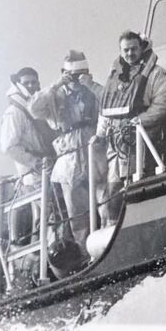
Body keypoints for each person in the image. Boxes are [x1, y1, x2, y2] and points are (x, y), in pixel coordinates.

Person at [91, 31, 166, 226]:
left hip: (144, 141)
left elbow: (160, 107)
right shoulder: (115, 78)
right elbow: (106, 110)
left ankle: (150, 227)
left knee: (143, 192)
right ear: (120, 51)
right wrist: (99, 135)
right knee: (114, 196)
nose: (130, 54)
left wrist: (137, 121)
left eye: (134, 49)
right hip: (117, 149)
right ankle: (112, 231)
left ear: (142, 47)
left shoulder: (156, 74)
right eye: (125, 50)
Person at [28, 50, 99, 257]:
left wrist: (90, 85)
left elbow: (108, 102)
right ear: (63, 73)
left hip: (93, 149)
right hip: (69, 157)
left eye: (81, 72)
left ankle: (106, 246)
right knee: (77, 214)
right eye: (72, 74)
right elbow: (33, 108)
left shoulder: (92, 90)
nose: (76, 78)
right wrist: (57, 84)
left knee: (104, 202)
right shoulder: (54, 95)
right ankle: (87, 255)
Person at [0, 67, 56, 245]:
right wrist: (35, 163)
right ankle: (51, 254)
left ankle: (49, 254)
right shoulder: (14, 112)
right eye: (27, 83)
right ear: (18, 85)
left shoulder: (35, 106)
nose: (31, 86)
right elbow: (10, 146)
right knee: (50, 210)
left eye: (34, 82)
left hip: (48, 166)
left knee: (48, 212)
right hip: (34, 172)